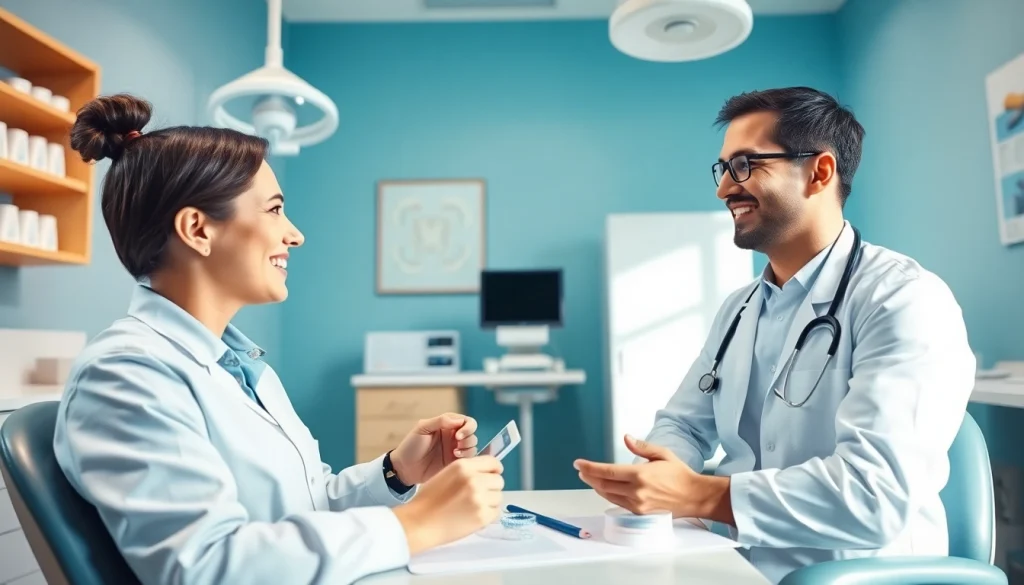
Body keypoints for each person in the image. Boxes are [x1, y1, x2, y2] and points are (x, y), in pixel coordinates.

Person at [53, 93, 505, 585]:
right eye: (273, 210)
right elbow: (205, 566)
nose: (295, 236)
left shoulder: (240, 368)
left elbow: (304, 510)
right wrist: (415, 524)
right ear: (198, 229)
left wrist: (396, 474)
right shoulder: (126, 374)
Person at [574, 87, 975, 583]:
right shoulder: (740, 309)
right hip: (730, 561)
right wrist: (661, 471)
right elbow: (685, 423)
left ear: (819, 172)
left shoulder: (903, 299)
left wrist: (698, 495)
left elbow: (875, 495)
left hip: (850, 573)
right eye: (723, 169)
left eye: (745, 165)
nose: (724, 189)